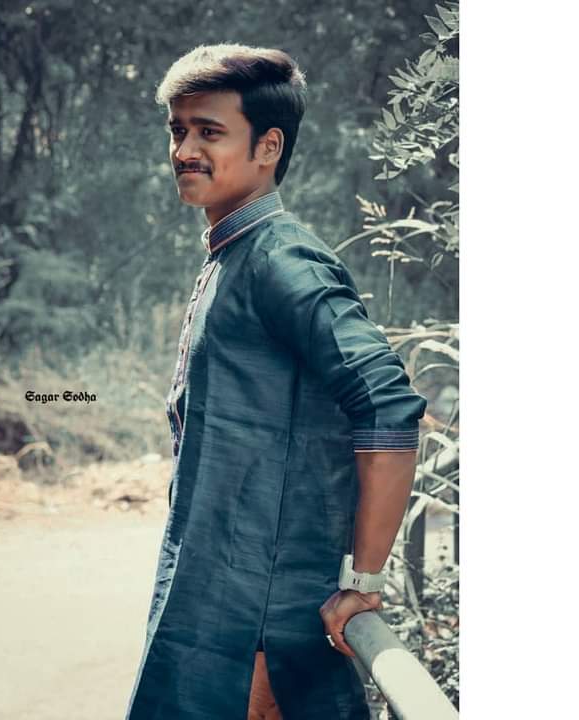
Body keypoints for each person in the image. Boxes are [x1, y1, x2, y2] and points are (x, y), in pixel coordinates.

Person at [125, 44, 427, 720]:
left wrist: (363, 581)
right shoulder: (234, 252)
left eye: (209, 132)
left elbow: (386, 403)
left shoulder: (281, 258)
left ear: (268, 147)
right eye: (178, 130)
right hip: (218, 597)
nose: (184, 151)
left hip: (262, 620)